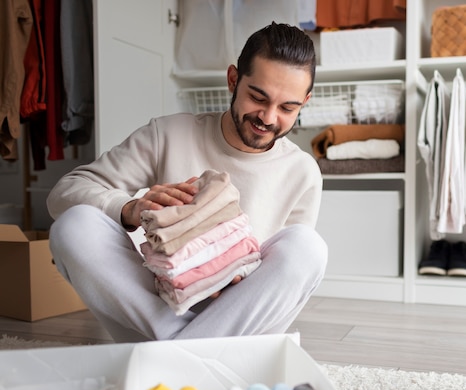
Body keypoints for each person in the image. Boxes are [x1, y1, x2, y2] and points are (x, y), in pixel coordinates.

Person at [46, 22, 327, 343]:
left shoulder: (302, 171)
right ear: (233, 79)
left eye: (287, 107)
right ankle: (190, 351)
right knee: (74, 225)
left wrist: (235, 273)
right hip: (159, 309)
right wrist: (129, 208)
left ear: (304, 102)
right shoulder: (167, 135)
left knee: (309, 248)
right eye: (258, 97)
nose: (268, 117)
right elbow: (63, 194)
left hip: (238, 319)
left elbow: (282, 279)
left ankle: (174, 352)